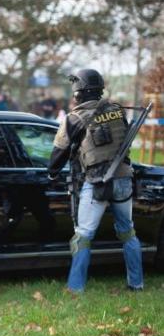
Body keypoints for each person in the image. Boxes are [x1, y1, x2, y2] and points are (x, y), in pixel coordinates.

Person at [47, 68, 144, 293]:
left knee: (83, 237)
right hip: (123, 179)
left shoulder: (74, 118)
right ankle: (136, 284)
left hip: (96, 182)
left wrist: (52, 174)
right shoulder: (117, 111)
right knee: (128, 232)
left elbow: (56, 158)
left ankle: (75, 288)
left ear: (78, 92)